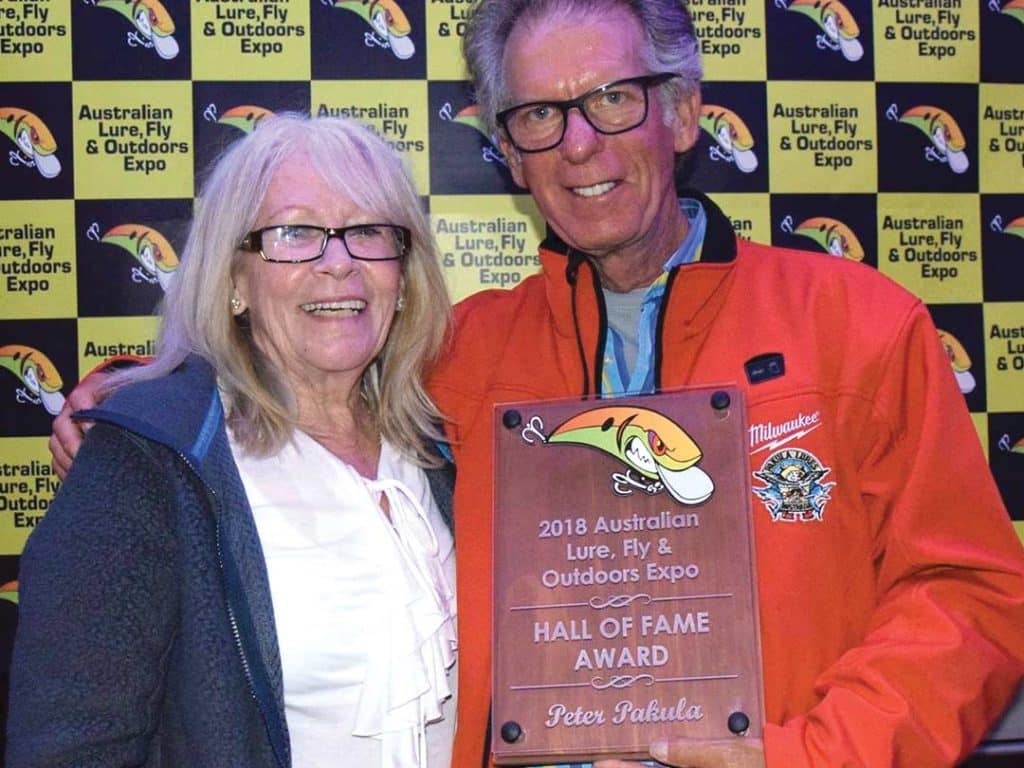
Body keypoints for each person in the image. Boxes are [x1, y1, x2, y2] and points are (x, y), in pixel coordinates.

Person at [45, 1, 1024, 767]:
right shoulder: (470, 351)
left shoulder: (856, 326)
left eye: (612, 97)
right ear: (507, 150)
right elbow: (304, 352)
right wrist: (134, 393)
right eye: (538, 116)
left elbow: (969, 599)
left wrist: (801, 757)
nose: (579, 144)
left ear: (683, 111)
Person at [8, 113, 458, 768]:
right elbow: (70, 748)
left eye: (368, 231)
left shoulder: (437, 446)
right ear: (234, 280)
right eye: (296, 233)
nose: (340, 263)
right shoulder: (149, 462)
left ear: (403, 269)